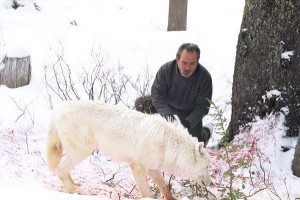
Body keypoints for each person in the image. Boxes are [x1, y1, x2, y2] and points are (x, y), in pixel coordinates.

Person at [135, 43, 213, 145]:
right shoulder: (165, 70)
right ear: (177, 59)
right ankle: (146, 132)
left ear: (197, 61)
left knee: (195, 143)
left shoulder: (204, 77)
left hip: (189, 111)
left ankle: (207, 130)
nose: (188, 67)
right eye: (184, 63)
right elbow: (157, 95)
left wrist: (187, 123)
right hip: (167, 104)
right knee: (141, 103)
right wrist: (167, 115)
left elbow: (203, 107)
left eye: (192, 63)